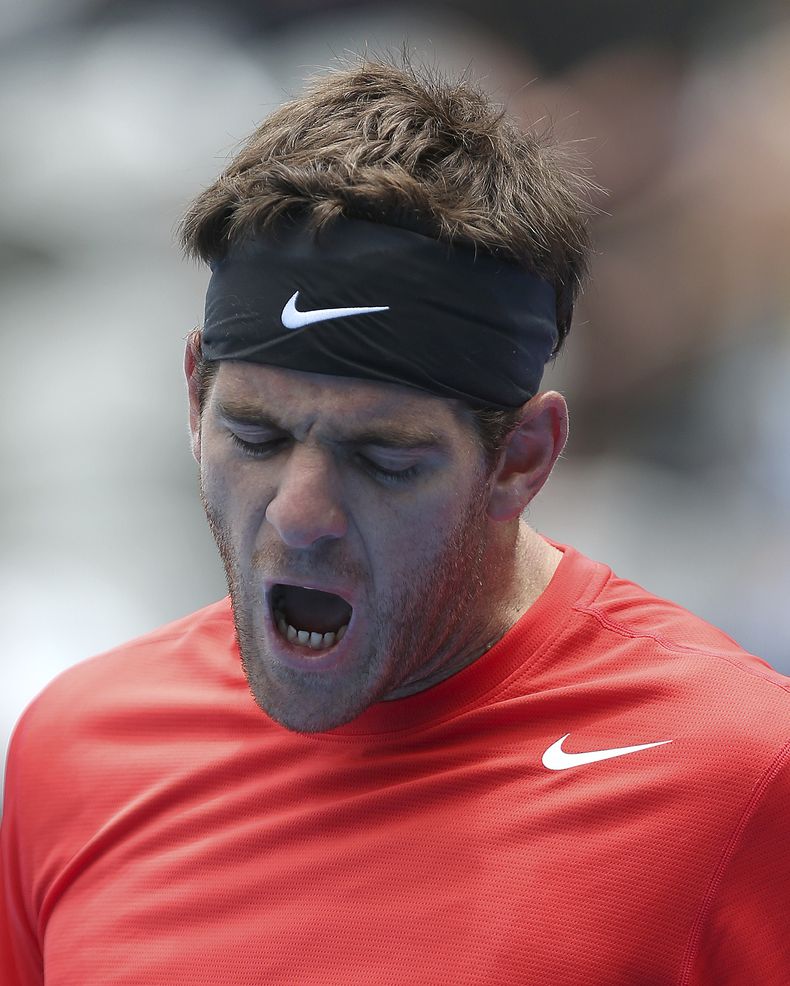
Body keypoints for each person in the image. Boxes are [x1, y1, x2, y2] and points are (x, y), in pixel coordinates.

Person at [2, 58, 788, 985]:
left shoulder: (739, 774)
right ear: (191, 398)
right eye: (254, 435)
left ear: (522, 459)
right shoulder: (77, 750)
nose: (299, 519)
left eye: (384, 458)